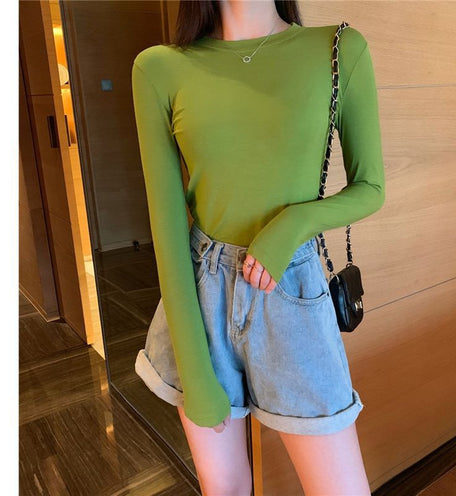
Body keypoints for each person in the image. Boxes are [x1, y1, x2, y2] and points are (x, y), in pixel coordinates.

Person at [132, 0, 385, 494]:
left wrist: (292, 225)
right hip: (200, 294)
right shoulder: (159, 69)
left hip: (293, 291)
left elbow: (371, 187)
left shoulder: (338, 50)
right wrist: (195, 374)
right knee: (224, 488)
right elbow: (166, 228)